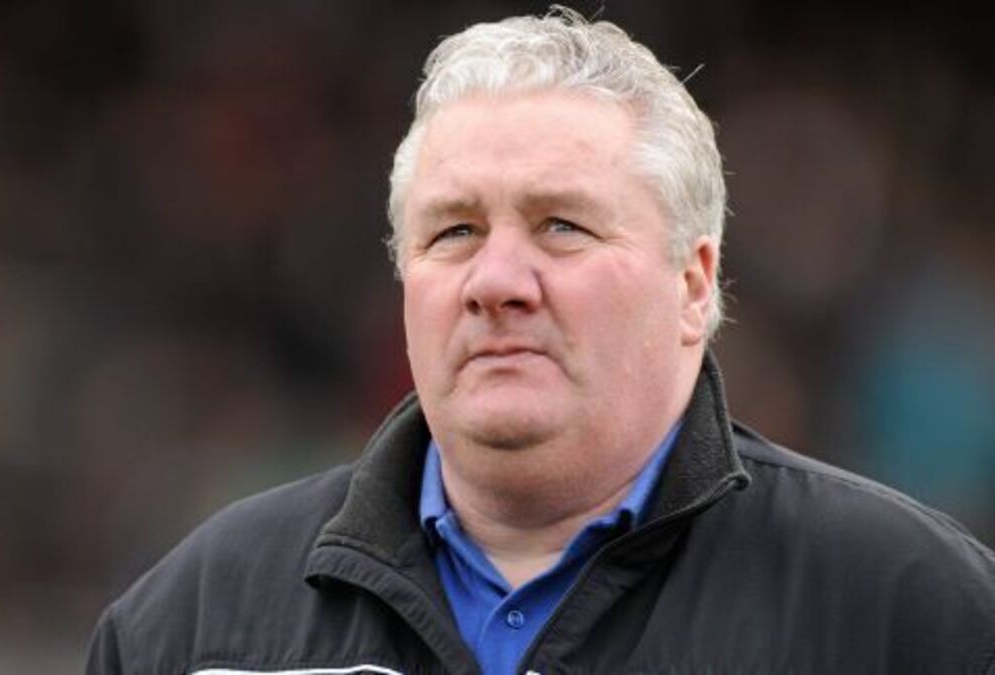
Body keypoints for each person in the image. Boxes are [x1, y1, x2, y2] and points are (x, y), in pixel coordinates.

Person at [86, 8, 995, 674]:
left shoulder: (911, 608)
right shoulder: (190, 625)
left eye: (561, 225)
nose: (496, 281)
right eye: (454, 231)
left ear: (692, 284)